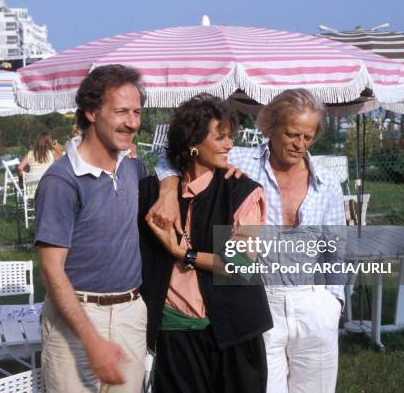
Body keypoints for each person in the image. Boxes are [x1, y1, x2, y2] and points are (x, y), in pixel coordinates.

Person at [151, 88, 346, 393]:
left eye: (308, 137)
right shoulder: (239, 159)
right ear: (272, 127)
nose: (300, 145)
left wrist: (334, 302)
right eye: (293, 134)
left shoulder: (327, 182)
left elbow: (336, 250)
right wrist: (167, 193)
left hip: (314, 302)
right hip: (261, 300)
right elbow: (171, 154)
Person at [138, 94, 273, 393]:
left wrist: (182, 253)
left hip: (235, 333)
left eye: (230, 137)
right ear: (193, 143)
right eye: (220, 137)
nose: (229, 145)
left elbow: (239, 267)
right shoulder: (152, 193)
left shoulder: (238, 192)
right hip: (174, 333)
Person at [34, 64, 149, 393]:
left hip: (130, 313)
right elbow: (51, 271)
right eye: (121, 111)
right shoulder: (61, 181)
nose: (132, 122)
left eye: (137, 112)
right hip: (77, 320)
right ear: (91, 112)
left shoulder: (132, 167)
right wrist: (92, 340)